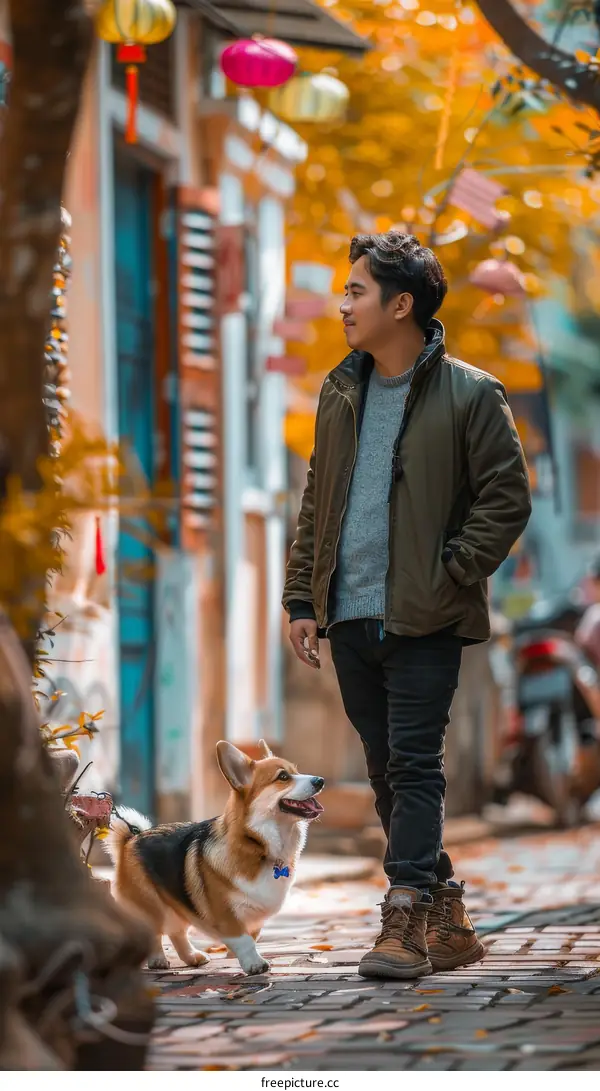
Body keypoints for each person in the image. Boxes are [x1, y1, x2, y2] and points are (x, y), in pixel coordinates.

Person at [282, 231, 532, 980]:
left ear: (402, 304)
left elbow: (507, 497)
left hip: (428, 616)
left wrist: (452, 568)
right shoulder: (338, 391)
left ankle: (402, 916)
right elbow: (315, 502)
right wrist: (302, 596)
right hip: (350, 615)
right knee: (388, 769)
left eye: (357, 290)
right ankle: (446, 914)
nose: (344, 303)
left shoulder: (472, 392)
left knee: (416, 765)